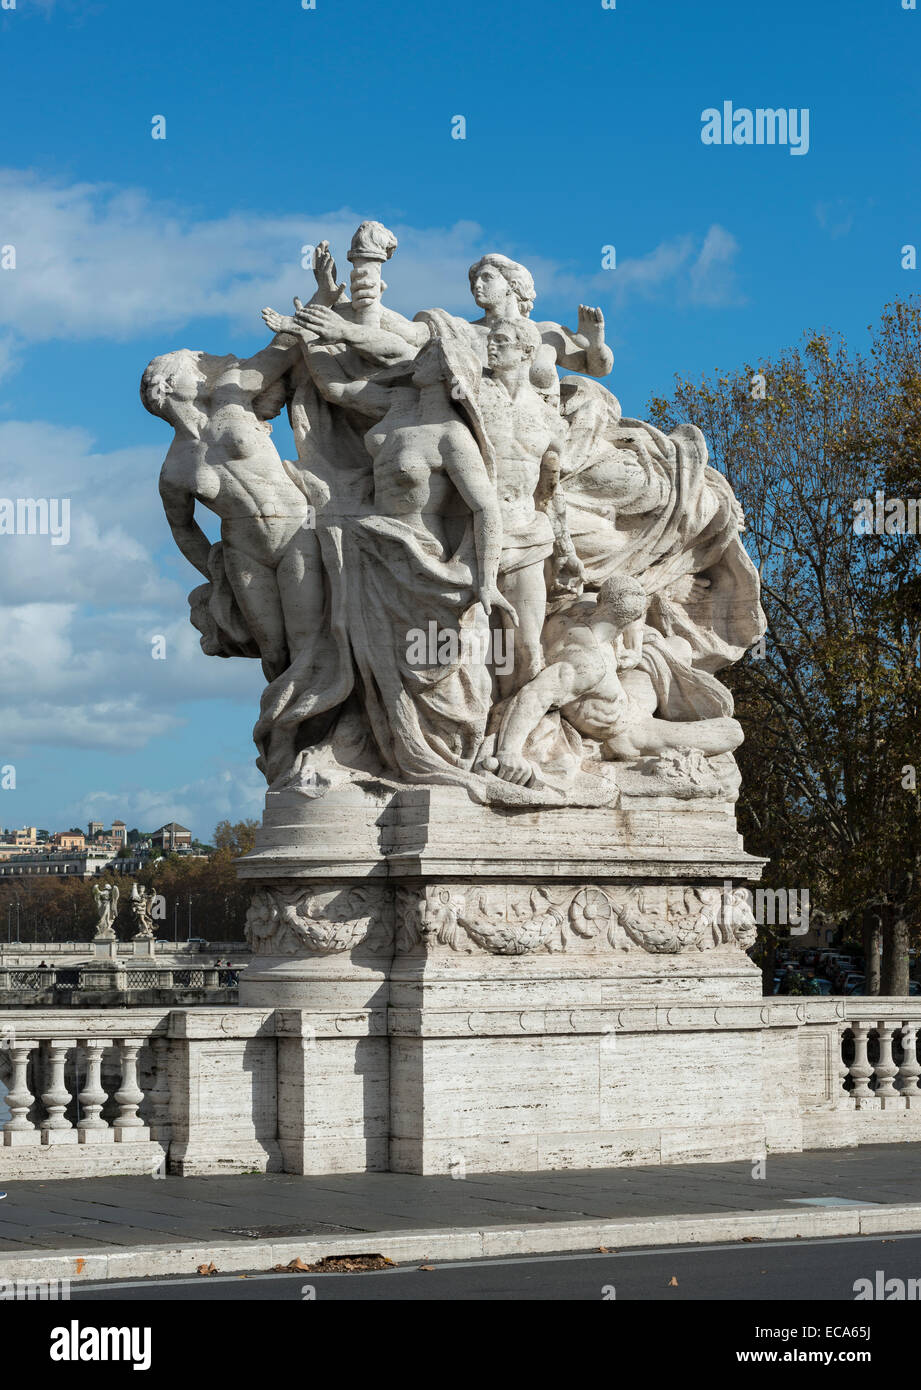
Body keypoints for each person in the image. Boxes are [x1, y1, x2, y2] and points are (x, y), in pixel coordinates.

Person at [141, 342, 323, 683]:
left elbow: (279, 352)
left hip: (300, 532)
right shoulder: (173, 469)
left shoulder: (231, 403)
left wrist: (319, 305)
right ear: (166, 385)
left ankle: (324, 725)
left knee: (307, 641)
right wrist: (214, 570)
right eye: (192, 369)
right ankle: (284, 732)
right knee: (273, 652)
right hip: (245, 554)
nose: (200, 374)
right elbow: (183, 529)